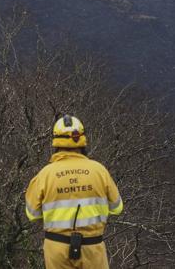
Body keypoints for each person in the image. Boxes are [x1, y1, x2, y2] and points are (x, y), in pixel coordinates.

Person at [25, 115, 123, 269]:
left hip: (56, 249)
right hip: (93, 248)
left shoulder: (45, 174)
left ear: (55, 142)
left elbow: (32, 214)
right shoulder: (99, 170)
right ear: (82, 140)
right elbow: (117, 207)